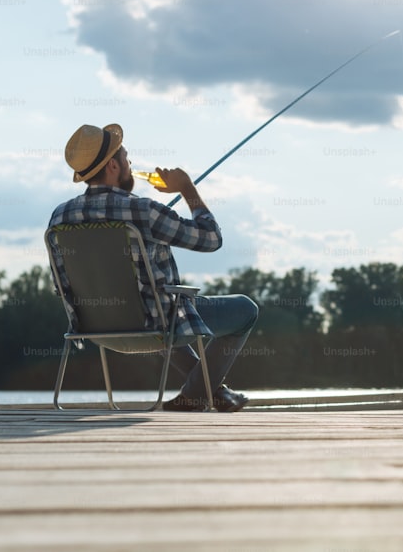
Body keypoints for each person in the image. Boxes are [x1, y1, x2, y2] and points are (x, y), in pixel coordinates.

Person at [48, 123, 258, 412]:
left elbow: (61, 284)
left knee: (158, 309)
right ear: (112, 165)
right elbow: (211, 239)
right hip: (153, 329)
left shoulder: (59, 216)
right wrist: (187, 189)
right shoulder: (144, 210)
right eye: (125, 156)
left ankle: (212, 392)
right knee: (245, 310)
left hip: (93, 331)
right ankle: (197, 394)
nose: (130, 163)